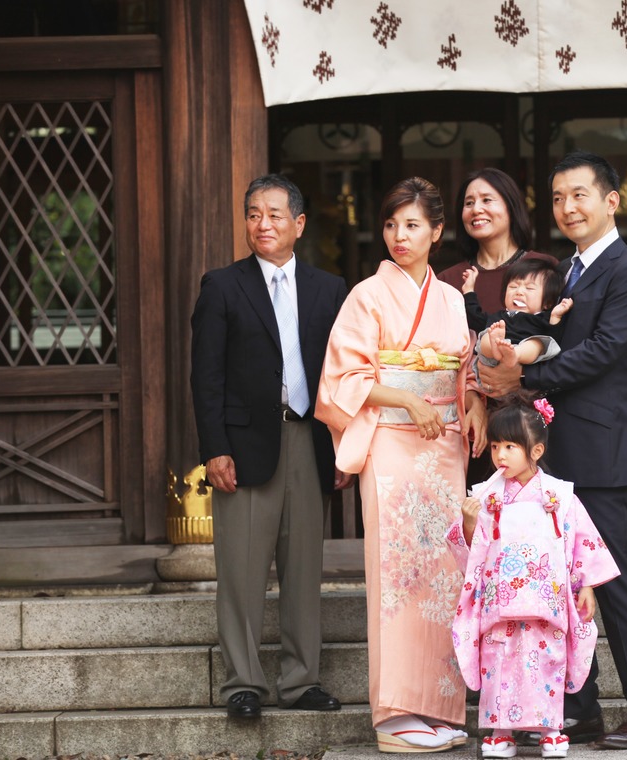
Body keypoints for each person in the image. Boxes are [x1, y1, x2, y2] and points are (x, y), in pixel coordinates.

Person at [479, 152, 627, 750]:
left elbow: (605, 351)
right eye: (559, 198)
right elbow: (541, 336)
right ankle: (579, 706)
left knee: (613, 580)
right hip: (555, 452)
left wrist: (526, 381)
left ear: (611, 200)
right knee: (560, 583)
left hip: (601, 450)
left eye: (580, 195)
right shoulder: (567, 270)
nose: (568, 207)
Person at [315, 177, 487, 753]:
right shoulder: (366, 295)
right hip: (392, 444)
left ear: (437, 232)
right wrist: (409, 398)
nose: (399, 236)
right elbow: (344, 377)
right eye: (391, 225)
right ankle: (392, 716)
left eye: (412, 225)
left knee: (445, 573)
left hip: (444, 445)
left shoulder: (451, 297)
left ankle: (439, 706)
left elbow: (462, 369)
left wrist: (472, 404)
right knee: (396, 575)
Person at [190, 174, 348, 720]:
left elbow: (345, 373)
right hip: (243, 442)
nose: (263, 224)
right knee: (241, 567)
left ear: (298, 224)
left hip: (310, 437)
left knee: (304, 567)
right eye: (254, 214)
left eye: (275, 214)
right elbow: (205, 376)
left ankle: (302, 681)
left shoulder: (331, 290)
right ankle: (243, 683)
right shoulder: (222, 286)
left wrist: (344, 445)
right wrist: (214, 448)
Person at [447, 397, 620, 760]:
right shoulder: (486, 496)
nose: (500, 455)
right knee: (498, 662)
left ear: (536, 450)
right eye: (495, 446)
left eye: (510, 446)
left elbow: (580, 541)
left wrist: (586, 583)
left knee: (547, 662)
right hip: (501, 601)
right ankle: (499, 731)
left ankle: (551, 729)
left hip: (546, 599)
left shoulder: (559, 495)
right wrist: (467, 521)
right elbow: (472, 548)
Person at [438, 167, 536, 331]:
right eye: (469, 203)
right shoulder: (447, 280)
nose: (476, 210)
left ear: (511, 206)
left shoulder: (543, 267)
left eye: (487, 200)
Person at [464, 255, 573, 368]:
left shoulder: (544, 319)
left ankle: (515, 354)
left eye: (529, 288)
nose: (519, 292)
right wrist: (468, 290)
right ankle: (495, 347)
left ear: (548, 303)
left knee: (539, 343)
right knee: (486, 335)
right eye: (513, 287)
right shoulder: (498, 318)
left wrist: (556, 316)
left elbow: (555, 338)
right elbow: (473, 317)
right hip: (492, 362)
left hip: (525, 365)